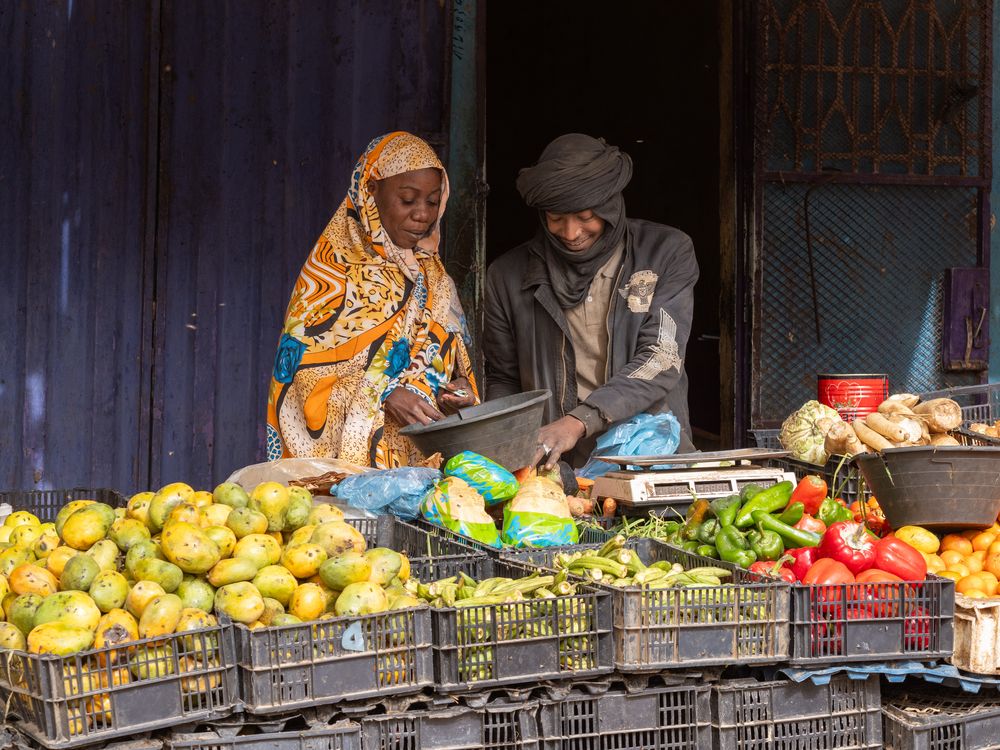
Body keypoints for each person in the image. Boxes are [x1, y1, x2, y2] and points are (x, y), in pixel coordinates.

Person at [483, 133, 699, 471]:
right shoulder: (507, 276)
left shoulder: (666, 252)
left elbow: (661, 356)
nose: (570, 233)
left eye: (585, 216)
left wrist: (579, 420)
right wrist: (507, 451)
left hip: (650, 455)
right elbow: (504, 379)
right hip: (555, 468)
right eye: (556, 218)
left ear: (610, 206)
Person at [266, 131, 477, 468]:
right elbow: (299, 377)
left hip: (420, 470)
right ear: (370, 192)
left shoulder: (437, 280)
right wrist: (384, 393)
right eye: (408, 200)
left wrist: (460, 392)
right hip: (345, 476)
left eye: (433, 201)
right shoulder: (331, 273)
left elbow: (454, 367)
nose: (422, 213)